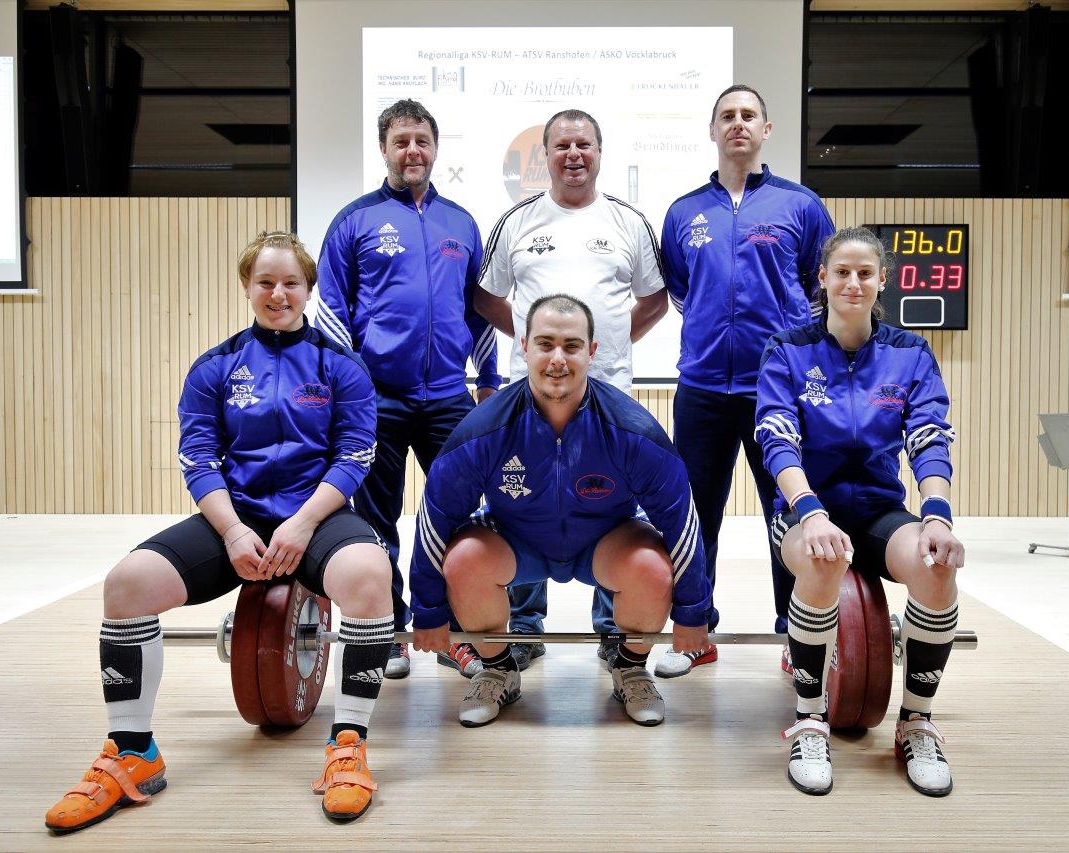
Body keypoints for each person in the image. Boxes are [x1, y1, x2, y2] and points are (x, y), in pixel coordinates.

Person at [44, 232, 394, 831]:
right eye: (265, 282)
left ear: (309, 289)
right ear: (246, 288)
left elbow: (355, 454)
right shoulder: (216, 366)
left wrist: (303, 522)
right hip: (236, 516)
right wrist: (231, 532)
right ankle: (133, 752)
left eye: (291, 283)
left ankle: (348, 746)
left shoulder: (343, 367)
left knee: (368, 575)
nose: (278, 294)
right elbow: (198, 458)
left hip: (317, 515)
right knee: (127, 584)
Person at [408, 295, 709, 727]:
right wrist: (429, 610)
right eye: (545, 344)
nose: (557, 359)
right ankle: (498, 670)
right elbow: (435, 518)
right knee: (464, 558)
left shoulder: (633, 429)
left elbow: (681, 522)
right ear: (524, 347)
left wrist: (693, 612)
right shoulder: (484, 429)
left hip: (605, 541)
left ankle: (629, 669)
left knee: (651, 565)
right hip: (517, 540)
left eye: (571, 346)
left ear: (592, 351)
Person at [754, 226, 964, 797]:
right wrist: (811, 512)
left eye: (865, 273)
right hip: (805, 510)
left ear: (881, 281)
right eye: (842, 272)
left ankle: (916, 723)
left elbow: (929, 437)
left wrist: (937, 517)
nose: (853, 282)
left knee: (936, 566)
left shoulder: (909, 352)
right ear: (822, 278)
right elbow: (777, 438)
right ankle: (809, 721)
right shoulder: (786, 349)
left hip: (877, 510)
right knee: (822, 562)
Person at [474, 109, 668, 668]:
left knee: (613, 506)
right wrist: (536, 346)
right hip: (530, 398)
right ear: (547, 156)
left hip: (611, 396)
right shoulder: (517, 221)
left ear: (599, 153)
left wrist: (605, 345)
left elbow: (655, 297)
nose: (573, 155)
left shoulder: (629, 221)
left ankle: (613, 630)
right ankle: (523, 629)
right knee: (520, 502)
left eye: (584, 144)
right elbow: (486, 297)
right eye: (562, 146)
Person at [657, 84, 836, 678]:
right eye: (727, 116)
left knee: (787, 513)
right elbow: (682, 290)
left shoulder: (801, 205)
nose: (738, 124)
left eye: (748, 115)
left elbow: (818, 288)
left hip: (777, 392)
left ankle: (796, 633)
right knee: (694, 515)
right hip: (703, 389)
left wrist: (790, 354)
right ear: (713, 130)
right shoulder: (684, 212)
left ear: (766, 129)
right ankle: (695, 631)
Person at [318, 99, 500, 681]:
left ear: (436, 148)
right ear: (384, 149)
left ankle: (451, 633)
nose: (412, 151)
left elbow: (479, 310)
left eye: (422, 140)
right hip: (377, 399)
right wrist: (353, 386)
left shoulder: (461, 223)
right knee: (377, 521)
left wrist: (488, 380)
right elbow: (330, 311)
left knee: (459, 516)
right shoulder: (355, 221)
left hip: (447, 396)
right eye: (401, 141)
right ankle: (391, 633)